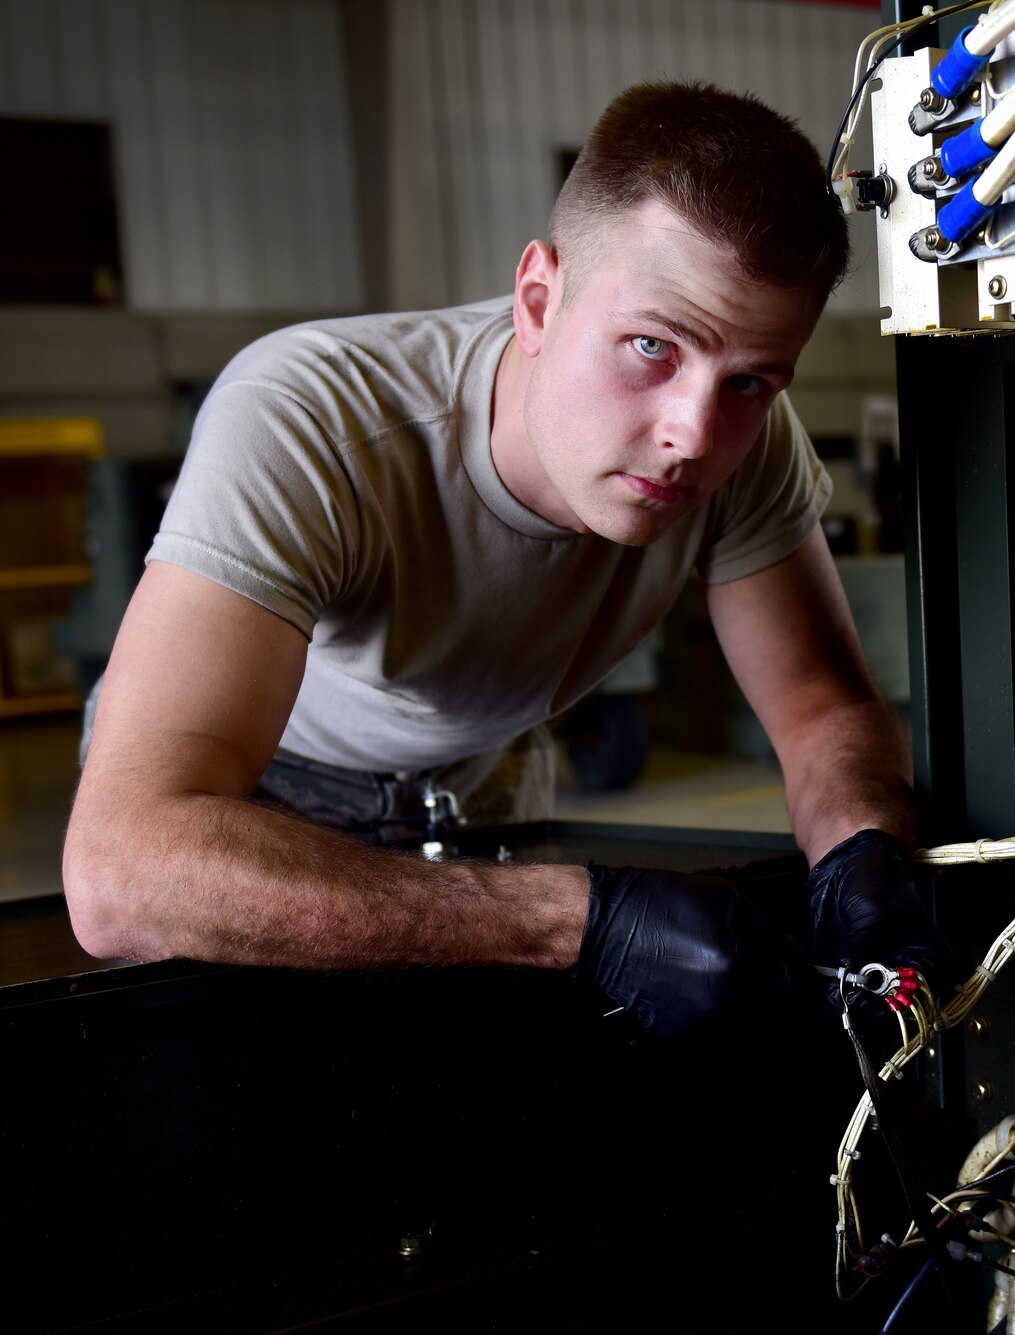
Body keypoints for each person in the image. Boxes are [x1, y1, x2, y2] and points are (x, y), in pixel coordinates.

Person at [63, 82, 947, 1033]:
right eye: (651, 345)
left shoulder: (750, 443)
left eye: (750, 380)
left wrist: (863, 849)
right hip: (262, 802)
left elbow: (820, 708)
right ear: (538, 300)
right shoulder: (308, 418)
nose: (692, 434)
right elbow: (125, 867)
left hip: (483, 786)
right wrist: (579, 920)